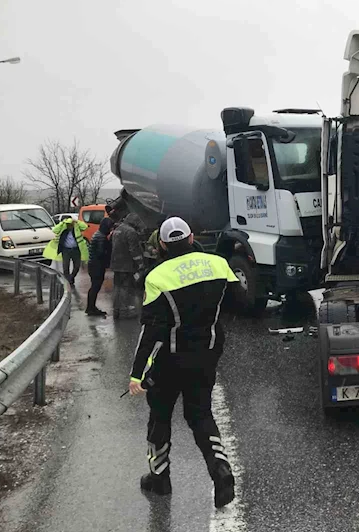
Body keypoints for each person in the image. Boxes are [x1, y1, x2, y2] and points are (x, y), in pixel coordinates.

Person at [128, 217, 238, 509]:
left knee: (160, 416)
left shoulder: (157, 276)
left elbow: (150, 330)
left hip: (170, 361)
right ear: (191, 238)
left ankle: (159, 479)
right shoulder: (217, 263)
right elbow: (236, 299)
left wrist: (137, 373)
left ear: (162, 244)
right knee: (201, 414)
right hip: (206, 354)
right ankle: (221, 470)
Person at [110, 212, 145, 319]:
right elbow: (134, 250)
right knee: (125, 288)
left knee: (117, 287)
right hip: (126, 265)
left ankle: (117, 310)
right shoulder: (130, 232)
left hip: (116, 264)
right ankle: (124, 311)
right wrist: (140, 264)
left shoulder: (118, 229)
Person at [44, 216, 89, 287]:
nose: (69, 225)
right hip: (66, 250)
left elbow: (85, 227)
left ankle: (71, 277)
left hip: (76, 250)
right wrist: (62, 223)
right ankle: (68, 281)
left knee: (77, 266)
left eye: (70, 223)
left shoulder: (77, 228)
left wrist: (76, 221)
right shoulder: (62, 229)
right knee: (65, 267)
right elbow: (55, 230)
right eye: (68, 224)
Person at [86, 217, 114, 316]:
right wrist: (109, 243)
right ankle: (91, 308)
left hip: (93, 264)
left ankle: (91, 307)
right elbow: (101, 253)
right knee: (95, 287)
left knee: (94, 287)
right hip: (97, 266)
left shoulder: (97, 234)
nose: (111, 229)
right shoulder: (101, 237)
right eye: (110, 227)